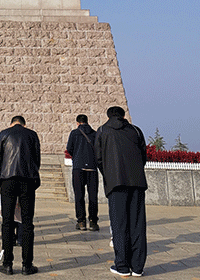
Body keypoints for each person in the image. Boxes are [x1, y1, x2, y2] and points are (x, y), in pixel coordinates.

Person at [94, 106, 148, 278]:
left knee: (119, 225)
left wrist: (110, 175)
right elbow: (143, 156)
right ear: (124, 116)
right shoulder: (136, 131)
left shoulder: (103, 130)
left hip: (116, 184)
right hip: (137, 183)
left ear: (109, 116)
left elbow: (99, 159)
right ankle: (138, 267)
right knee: (137, 225)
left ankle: (122, 266)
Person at [0, 115, 40, 276]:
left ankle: (7, 264)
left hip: (7, 180)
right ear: (24, 124)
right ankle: (27, 265)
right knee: (27, 223)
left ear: (11, 123)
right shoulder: (32, 134)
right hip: (27, 181)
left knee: (7, 222)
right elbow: (37, 159)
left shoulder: (4, 134)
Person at [66, 114, 99, 231]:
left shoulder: (74, 133)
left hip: (78, 168)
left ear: (77, 123)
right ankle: (93, 222)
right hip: (92, 168)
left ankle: (81, 221)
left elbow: (69, 148)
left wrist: (77, 157)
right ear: (87, 122)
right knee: (93, 196)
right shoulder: (95, 133)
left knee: (79, 195)